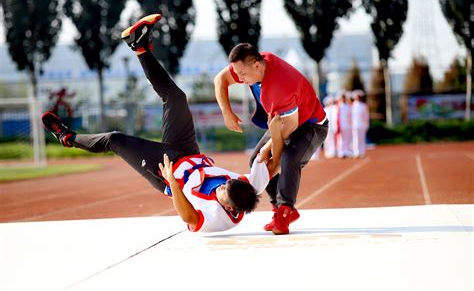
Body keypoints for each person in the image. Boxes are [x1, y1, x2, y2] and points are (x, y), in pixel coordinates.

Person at [41, 14, 283, 233]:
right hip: (189, 152)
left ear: (230, 208)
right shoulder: (248, 188)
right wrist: (278, 135)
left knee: (115, 139)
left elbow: (187, 216)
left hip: (168, 172)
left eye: (222, 192)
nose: (222, 186)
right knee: (176, 98)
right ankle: (139, 45)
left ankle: (67, 138)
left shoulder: (217, 220)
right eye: (226, 184)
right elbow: (269, 164)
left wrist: (171, 180)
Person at [213, 43, 328, 235]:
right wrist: (227, 112)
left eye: (242, 74)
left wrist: (267, 152)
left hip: (310, 125)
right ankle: (279, 209)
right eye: (237, 73)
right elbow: (219, 80)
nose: (239, 79)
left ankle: (285, 211)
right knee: (255, 160)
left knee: (287, 159)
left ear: (257, 65)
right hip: (281, 121)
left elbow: (288, 130)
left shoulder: (280, 88)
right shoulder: (252, 63)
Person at [351, 90, 370, 158]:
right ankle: (356, 152)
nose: (358, 98)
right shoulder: (352, 105)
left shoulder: (364, 106)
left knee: (362, 139)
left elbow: (366, 116)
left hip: (362, 124)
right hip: (354, 125)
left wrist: (367, 124)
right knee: (355, 139)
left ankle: (361, 152)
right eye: (357, 97)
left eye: (359, 97)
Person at [336, 91, 352, 158]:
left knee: (347, 139)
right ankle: (341, 152)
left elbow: (350, 116)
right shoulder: (338, 106)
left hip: (347, 125)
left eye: (344, 98)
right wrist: (337, 125)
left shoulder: (348, 106)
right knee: (341, 140)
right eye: (342, 98)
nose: (343, 99)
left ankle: (347, 152)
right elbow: (336, 117)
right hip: (341, 125)